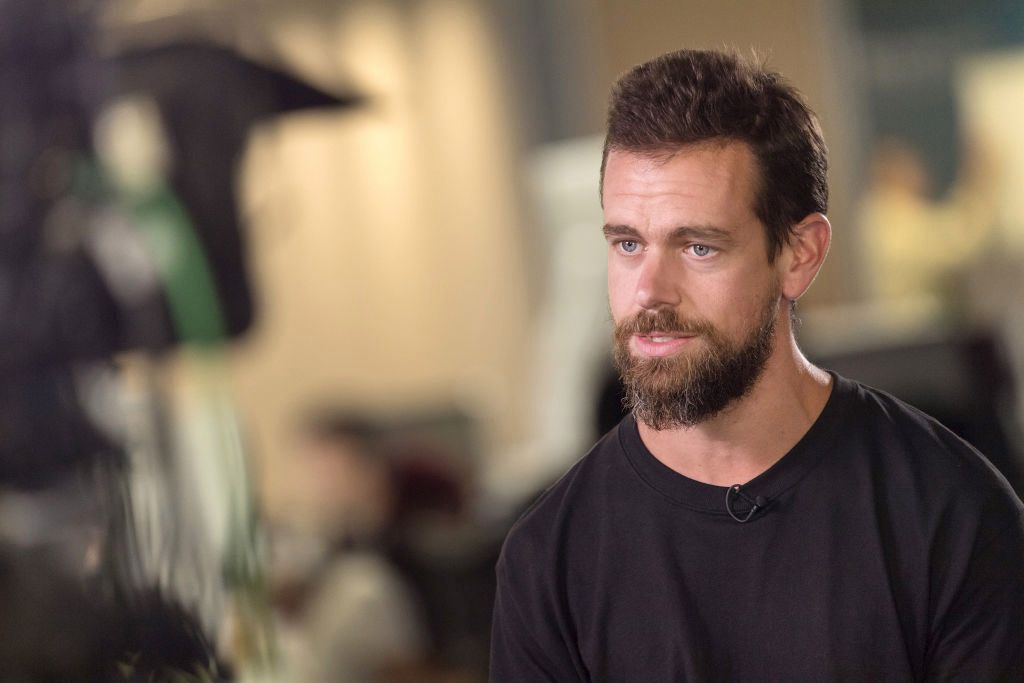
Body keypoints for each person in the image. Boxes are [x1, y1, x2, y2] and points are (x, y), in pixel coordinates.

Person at [489, 49, 1024, 682]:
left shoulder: (950, 512)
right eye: (627, 243)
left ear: (800, 255)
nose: (650, 291)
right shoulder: (549, 559)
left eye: (698, 246)